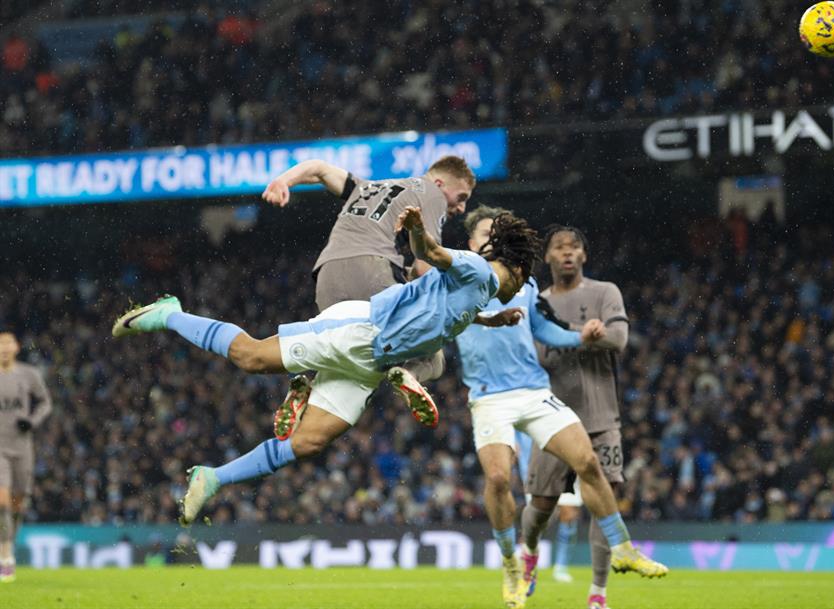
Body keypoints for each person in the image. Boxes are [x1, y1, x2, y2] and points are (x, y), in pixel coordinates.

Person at [111, 208, 537, 526]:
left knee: (309, 442)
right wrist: (417, 229)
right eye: (526, 280)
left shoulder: (479, 293)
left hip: (373, 362)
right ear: (518, 270)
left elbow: (451, 305)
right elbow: (434, 254)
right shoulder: (478, 268)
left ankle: (214, 477)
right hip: (359, 329)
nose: (522, 290)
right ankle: (170, 313)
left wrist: (491, 318)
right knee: (251, 357)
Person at [453, 208, 667, 609]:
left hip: (533, 390)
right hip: (488, 396)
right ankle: (512, 564)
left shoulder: (523, 280)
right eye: (485, 233)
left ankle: (622, 547)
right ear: (470, 242)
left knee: (587, 460)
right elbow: (447, 315)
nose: (492, 239)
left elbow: (542, 329)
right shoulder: (457, 278)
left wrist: (578, 337)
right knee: (499, 479)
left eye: (497, 234)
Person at [261, 156, 476, 436]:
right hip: (373, 270)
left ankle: (308, 387)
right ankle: (410, 373)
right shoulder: (431, 193)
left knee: (344, 350)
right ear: (439, 183)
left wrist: (283, 180)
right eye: (461, 197)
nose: (461, 208)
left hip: (327, 275)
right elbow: (425, 269)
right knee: (433, 350)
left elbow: (319, 168)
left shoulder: (366, 186)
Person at [519, 226, 638, 609]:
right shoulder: (536, 304)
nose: (567, 253)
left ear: (584, 255)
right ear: (549, 257)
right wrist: (575, 334)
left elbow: (618, 340)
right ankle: (530, 554)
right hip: (552, 419)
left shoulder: (605, 293)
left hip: (602, 419)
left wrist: (586, 334)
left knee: (605, 503)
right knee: (540, 506)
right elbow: (530, 357)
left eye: (574, 247)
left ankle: (598, 594)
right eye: (559, 248)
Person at [0, 329, 52, 584]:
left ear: (17, 347)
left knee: (18, 506)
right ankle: (5, 556)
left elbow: (45, 403)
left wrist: (31, 422)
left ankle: (6, 542)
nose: (4, 348)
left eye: (8, 343)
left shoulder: (28, 375)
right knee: (2, 502)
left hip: (22, 448)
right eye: (0, 344)